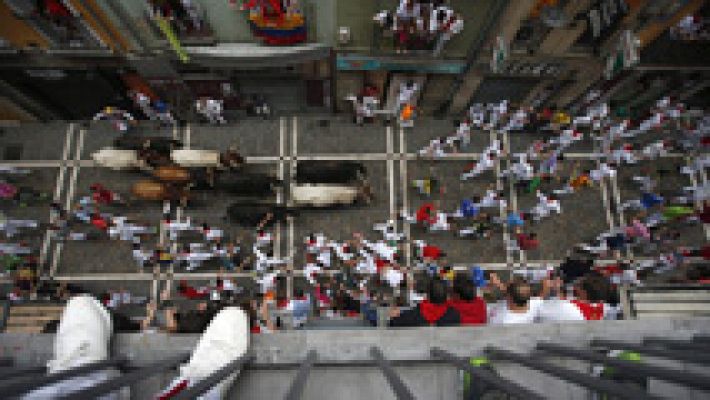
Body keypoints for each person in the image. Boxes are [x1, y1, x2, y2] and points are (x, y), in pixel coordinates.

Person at [389, 278, 460, 327]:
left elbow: (393, 325)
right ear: (447, 296)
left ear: (427, 295)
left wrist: (393, 318)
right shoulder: (455, 315)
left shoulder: (410, 315)